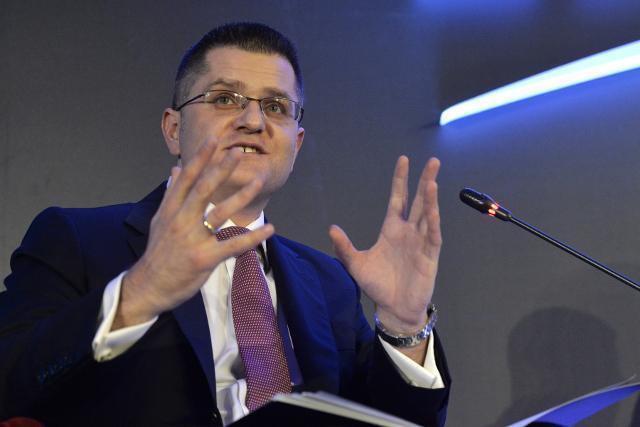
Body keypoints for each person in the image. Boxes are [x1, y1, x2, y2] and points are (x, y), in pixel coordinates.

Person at [0, 23, 451, 426]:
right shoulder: (78, 240)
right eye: (224, 99)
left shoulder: (329, 283)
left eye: (276, 106)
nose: (253, 120)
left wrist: (404, 324)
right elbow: (10, 382)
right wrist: (137, 293)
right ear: (173, 129)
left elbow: (395, 422)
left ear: (296, 144)